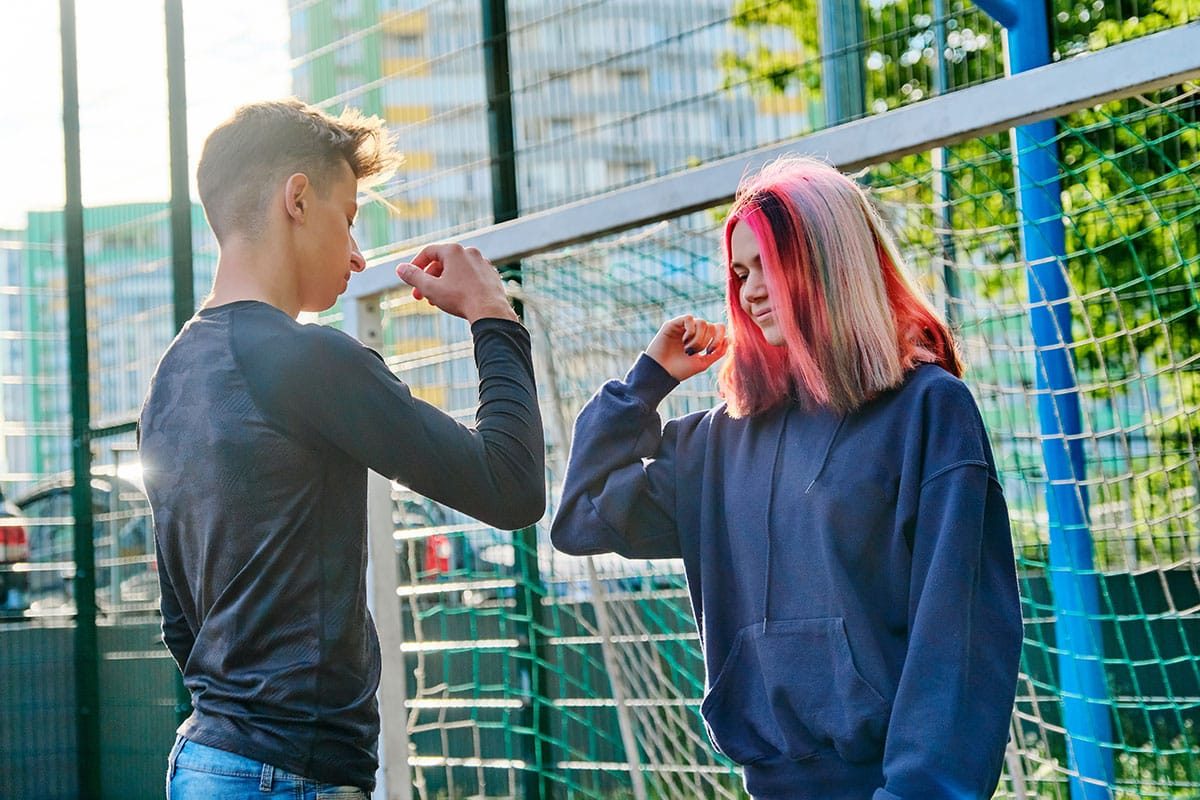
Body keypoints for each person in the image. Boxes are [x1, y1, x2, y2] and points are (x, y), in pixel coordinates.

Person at [551, 156, 1023, 799]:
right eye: (739, 273)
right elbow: (581, 518)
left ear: (832, 261)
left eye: (768, 265)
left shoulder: (927, 410)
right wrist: (645, 383)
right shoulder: (718, 441)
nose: (749, 291)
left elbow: (957, 636)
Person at [139, 99, 545, 799]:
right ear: (297, 198)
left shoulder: (168, 379)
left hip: (204, 764)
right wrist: (492, 315)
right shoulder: (310, 361)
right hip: (289, 777)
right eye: (349, 218)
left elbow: (181, 622)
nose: (359, 256)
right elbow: (511, 487)